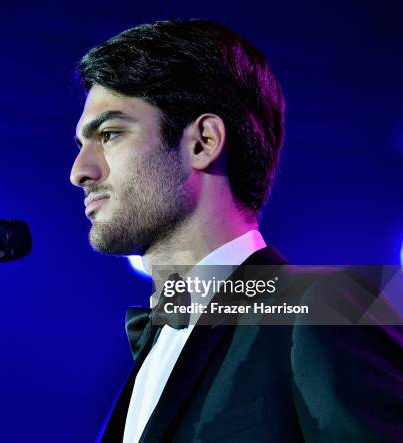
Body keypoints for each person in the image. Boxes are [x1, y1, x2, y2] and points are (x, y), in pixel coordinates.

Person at [70, 19, 402, 442]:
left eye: (110, 134)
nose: (79, 171)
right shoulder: (152, 347)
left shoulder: (324, 304)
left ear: (204, 141)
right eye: (81, 145)